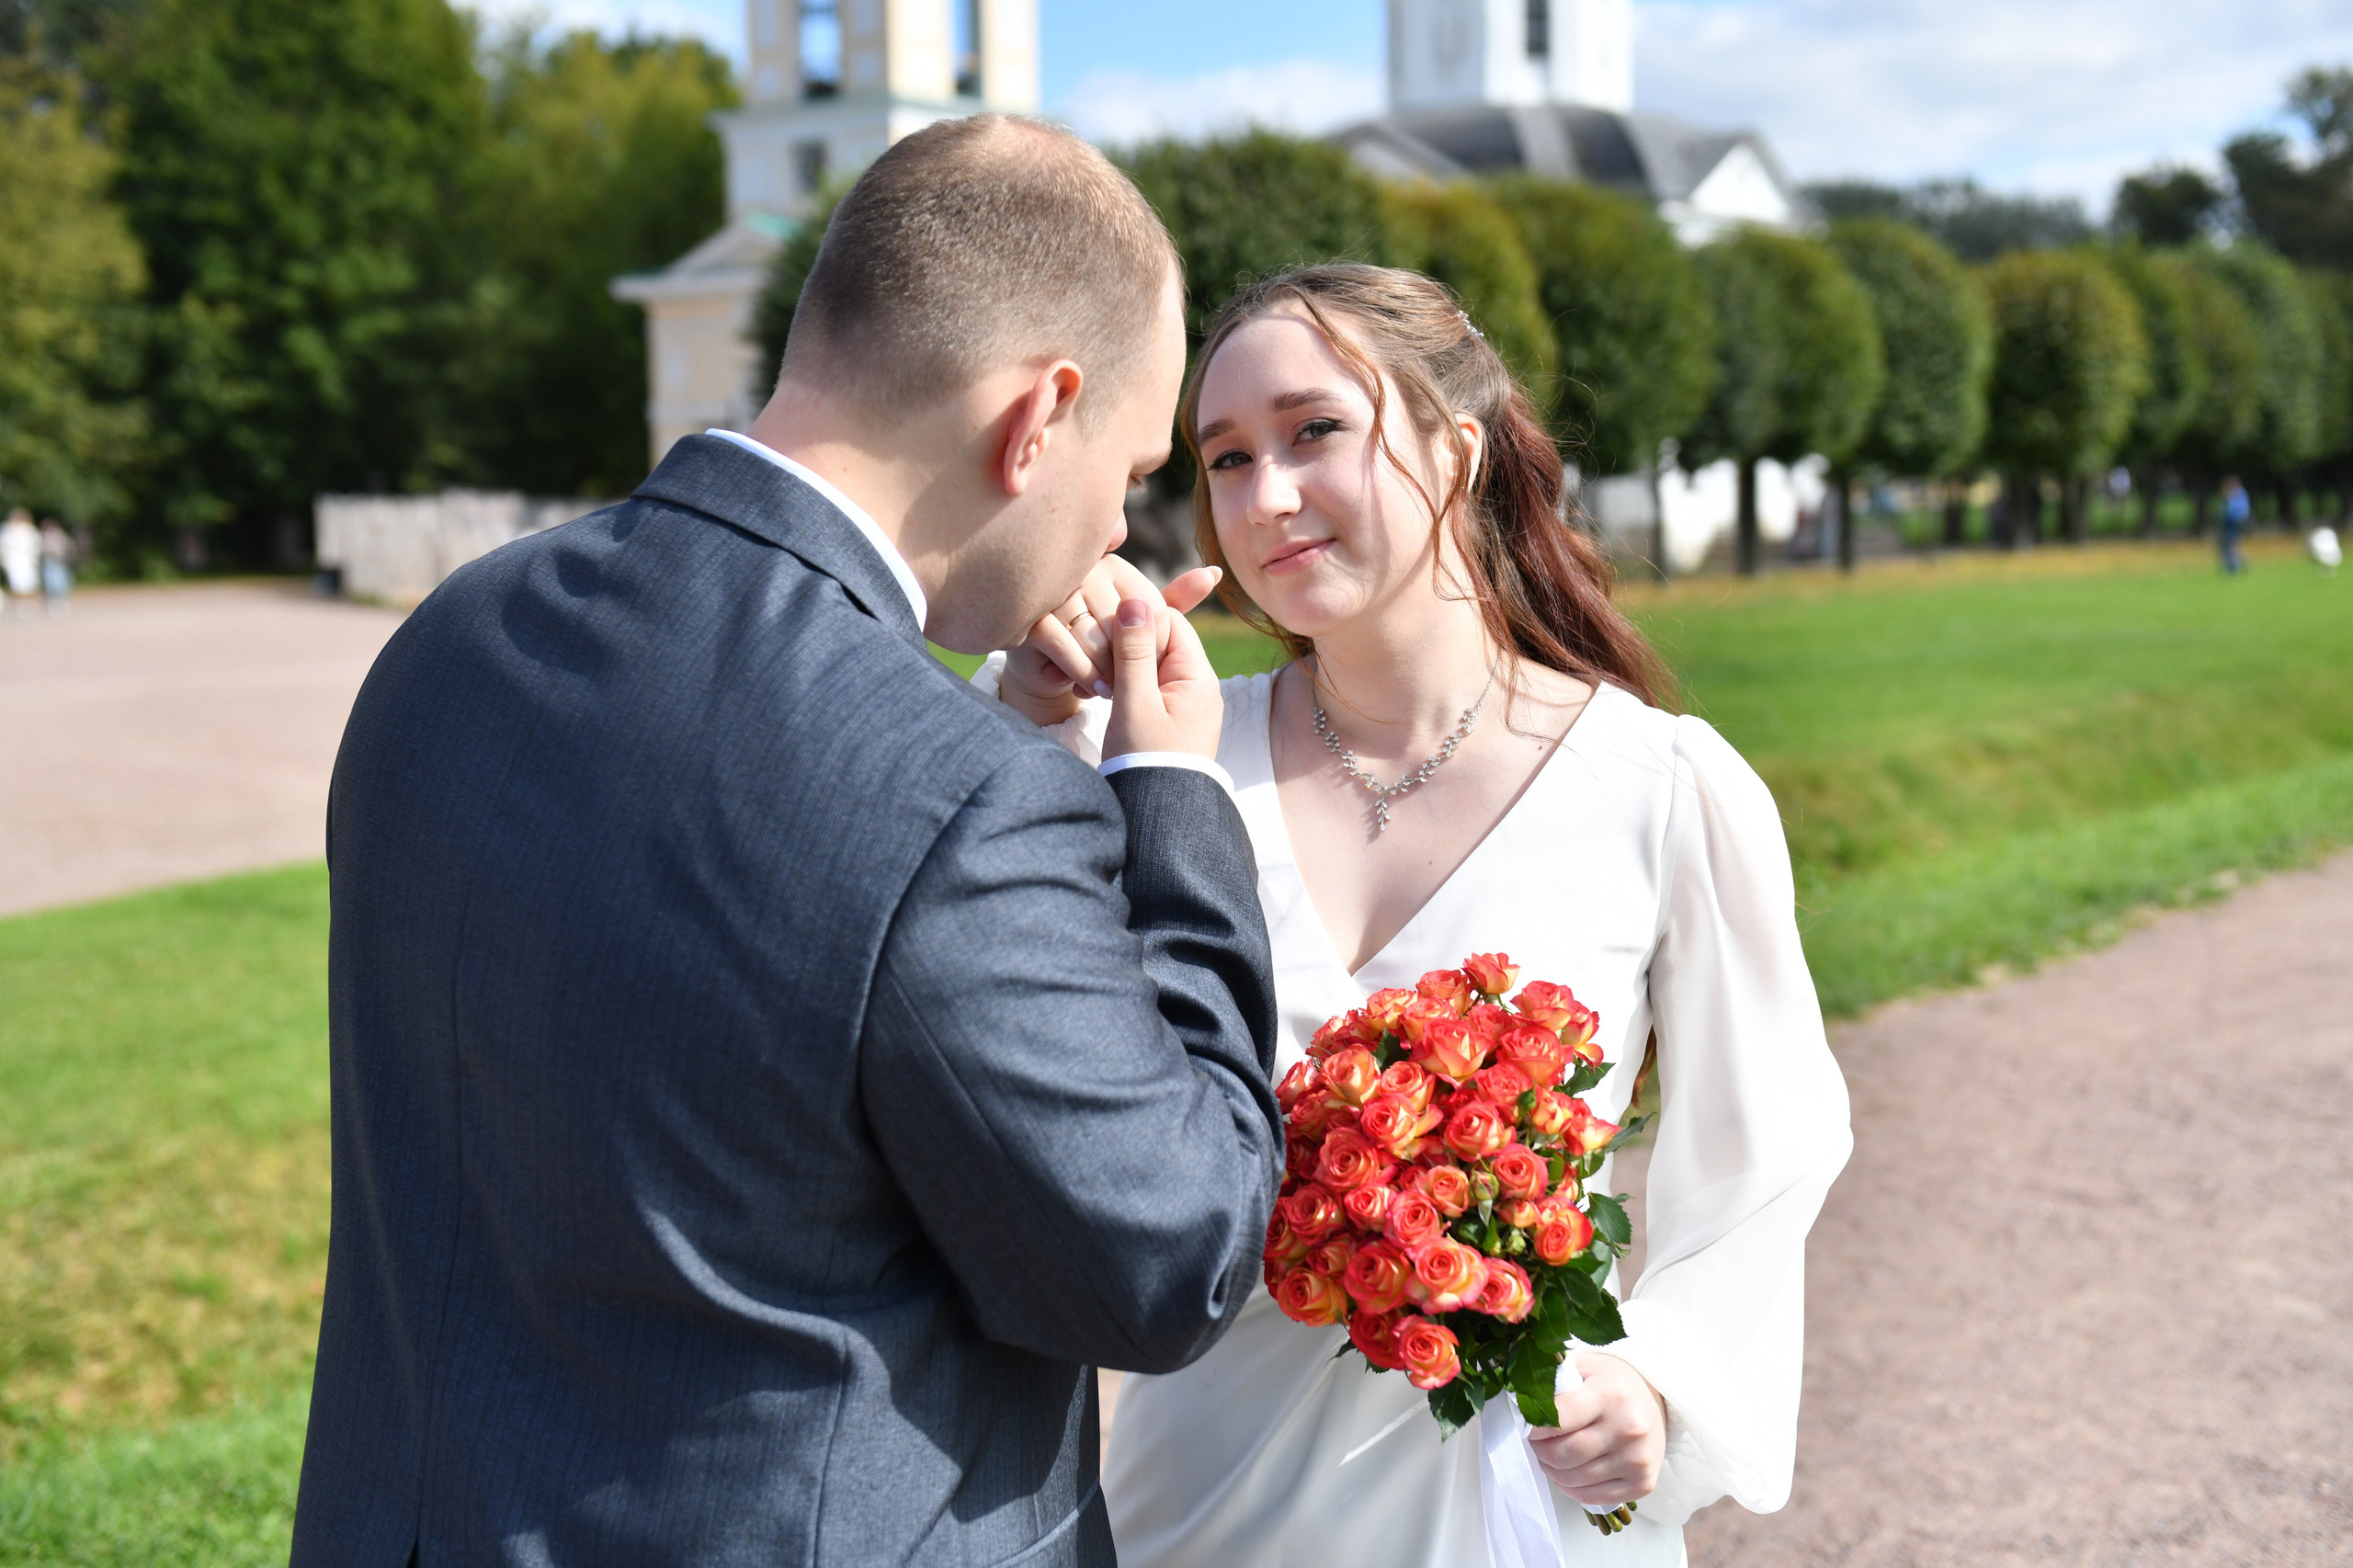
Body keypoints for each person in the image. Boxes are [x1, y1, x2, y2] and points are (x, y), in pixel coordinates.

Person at [291, 116, 1287, 1567]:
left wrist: (993, 726)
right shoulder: (959, 800)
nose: (1118, 534)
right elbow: (1168, 1251)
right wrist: (1170, 792)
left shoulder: (455, 634)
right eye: (1130, 475)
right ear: (1039, 418)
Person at [985, 265, 1853, 1565]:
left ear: (1457, 448)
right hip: (1207, 1501)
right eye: (1226, 458)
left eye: (1313, 430)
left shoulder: (1662, 788)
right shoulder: (1162, 762)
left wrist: (1657, 1378)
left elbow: (1765, 1152)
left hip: (1520, 1507)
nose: (1265, 497)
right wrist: (1029, 720)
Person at [0, 507, 39, 617]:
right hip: (13, 560)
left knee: (28, 583)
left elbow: (35, 544)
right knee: (15, 582)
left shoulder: (29, 529)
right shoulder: (7, 530)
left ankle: (26, 603)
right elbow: (4, 546)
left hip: (25, 560)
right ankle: (18, 604)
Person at [39, 519, 74, 613]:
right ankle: (53, 602)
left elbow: (66, 545)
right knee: (51, 583)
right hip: (49, 562)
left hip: (58, 561)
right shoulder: (45, 535)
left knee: (58, 582)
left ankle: (60, 601)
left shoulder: (58, 534)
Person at [2220, 475, 2250, 574]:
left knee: (2232, 545)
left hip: (2237, 523)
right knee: (2232, 545)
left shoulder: (2237, 494)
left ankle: (2236, 568)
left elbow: (2233, 511)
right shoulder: (2240, 493)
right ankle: (2241, 564)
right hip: (2237, 522)